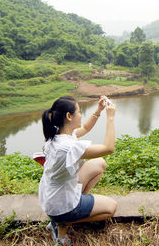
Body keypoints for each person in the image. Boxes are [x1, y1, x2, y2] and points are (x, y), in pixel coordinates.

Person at [38, 95, 117, 245]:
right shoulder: (68, 147)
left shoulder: (57, 135)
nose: (81, 114)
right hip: (60, 205)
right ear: (69, 116)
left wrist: (99, 110)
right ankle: (63, 223)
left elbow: (86, 128)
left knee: (99, 164)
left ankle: (65, 216)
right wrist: (110, 117)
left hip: (53, 196)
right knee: (111, 207)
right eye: (79, 111)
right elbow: (108, 148)